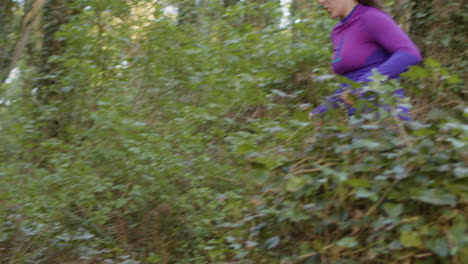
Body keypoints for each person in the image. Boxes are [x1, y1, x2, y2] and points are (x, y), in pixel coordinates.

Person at [310, 0, 422, 121]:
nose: (321, 1)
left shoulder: (370, 17)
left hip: (386, 119)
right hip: (360, 125)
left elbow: (409, 53)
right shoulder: (337, 32)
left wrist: (363, 85)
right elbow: (349, 85)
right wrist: (322, 110)